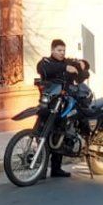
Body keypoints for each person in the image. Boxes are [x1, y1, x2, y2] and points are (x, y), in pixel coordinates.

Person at [36, 39, 80, 178]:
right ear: (52, 50)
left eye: (63, 51)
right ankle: (41, 170)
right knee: (43, 135)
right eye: (59, 50)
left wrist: (82, 65)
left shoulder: (68, 62)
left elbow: (81, 71)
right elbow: (43, 69)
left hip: (63, 104)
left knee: (60, 134)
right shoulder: (46, 62)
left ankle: (56, 169)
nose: (62, 53)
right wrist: (64, 68)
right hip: (48, 104)